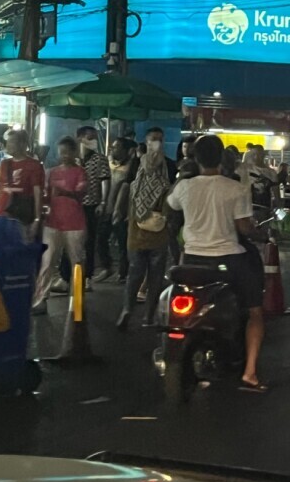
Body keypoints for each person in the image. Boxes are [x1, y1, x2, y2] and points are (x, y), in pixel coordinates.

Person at [167, 135, 266, 391]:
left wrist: (182, 177)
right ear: (222, 157)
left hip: (191, 260)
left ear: (194, 158)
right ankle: (250, 373)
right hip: (228, 260)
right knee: (255, 312)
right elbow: (243, 227)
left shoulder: (185, 187)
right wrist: (259, 232)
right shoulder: (235, 188)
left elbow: (170, 205)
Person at [117, 142, 173, 330]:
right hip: (158, 237)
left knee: (134, 275)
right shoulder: (166, 186)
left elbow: (127, 210)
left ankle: (126, 309)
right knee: (155, 278)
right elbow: (169, 212)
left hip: (136, 236)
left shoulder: (135, 185)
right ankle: (148, 316)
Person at [32, 137, 87, 314]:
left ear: (74, 152)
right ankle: (41, 299)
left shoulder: (80, 172)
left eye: (67, 152)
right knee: (47, 262)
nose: (63, 155)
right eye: (61, 152)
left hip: (74, 224)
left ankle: (77, 299)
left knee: (76, 263)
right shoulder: (50, 172)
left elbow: (81, 195)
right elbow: (44, 196)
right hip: (52, 222)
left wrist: (64, 192)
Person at [76, 126, 113, 283]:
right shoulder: (75, 159)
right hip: (74, 205)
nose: (92, 141)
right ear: (80, 139)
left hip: (92, 205)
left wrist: (103, 202)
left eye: (93, 138)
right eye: (89, 137)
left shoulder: (100, 159)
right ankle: (70, 275)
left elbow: (105, 181)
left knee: (90, 240)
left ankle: (87, 276)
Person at [0, 129, 45, 236]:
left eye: (12, 141)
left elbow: (37, 194)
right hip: (1, 215)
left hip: (22, 218)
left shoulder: (34, 165)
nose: (8, 145)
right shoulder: (4, 164)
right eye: (7, 142)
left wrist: (37, 219)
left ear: (22, 144)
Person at [104, 138, 136, 283]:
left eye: (117, 147)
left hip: (122, 210)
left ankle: (123, 273)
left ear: (126, 151)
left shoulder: (132, 167)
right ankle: (107, 267)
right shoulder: (108, 164)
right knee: (101, 238)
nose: (113, 149)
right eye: (113, 147)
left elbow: (127, 188)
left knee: (123, 243)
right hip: (107, 207)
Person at [236, 143, 278, 215]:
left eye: (259, 154)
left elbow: (276, 192)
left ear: (263, 155)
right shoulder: (246, 170)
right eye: (254, 154)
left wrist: (277, 207)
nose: (256, 157)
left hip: (265, 209)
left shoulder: (271, 173)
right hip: (247, 209)